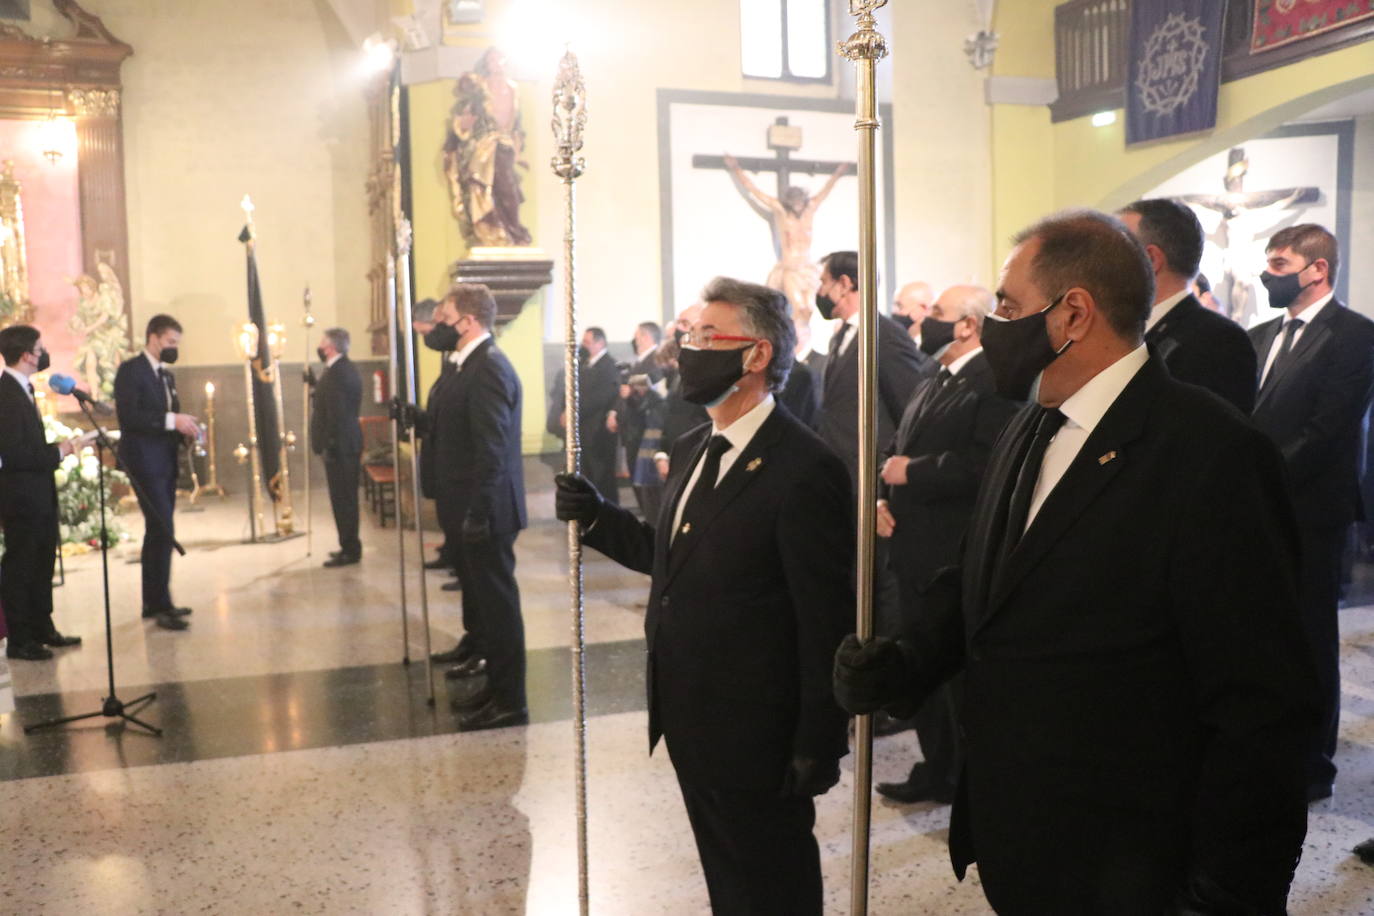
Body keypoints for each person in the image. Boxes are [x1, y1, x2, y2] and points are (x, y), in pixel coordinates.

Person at [834, 210, 1317, 913]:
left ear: (1074, 314)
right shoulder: (1030, 420)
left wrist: (1227, 891)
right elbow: (981, 576)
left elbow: (1263, 705)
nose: (990, 324)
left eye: (1007, 307)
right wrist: (906, 659)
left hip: (1131, 859)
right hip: (1023, 837)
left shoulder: (1210, 454)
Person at [555, 277, 852, 915]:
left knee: (773, 882)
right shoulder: (696, 446)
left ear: (757, 356)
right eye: (689, 337)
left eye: (707, 338)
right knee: (729, 879)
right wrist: (598, 516)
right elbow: (674, 558)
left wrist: (818, 739)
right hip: (693, 713)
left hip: (759, 726)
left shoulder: (804, 468)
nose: (688, 350)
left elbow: (824, 620)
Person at [873, 284, 1019, 805]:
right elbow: (896, 443)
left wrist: (912, 472)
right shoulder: (936, 375)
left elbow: (987, 463)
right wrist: (881, 497)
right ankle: (937, 767)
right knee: (921, 665)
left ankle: (965, 777)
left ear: (967, 326)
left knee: (955, 675)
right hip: (910, 544)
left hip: (950, 551)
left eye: (937, 313)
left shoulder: (994, 380)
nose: (924, 321)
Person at [1248, 223, 1374, 803]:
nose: (1267, 275)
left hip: (1310, 508)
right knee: (1264, 632)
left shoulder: (1355, 335)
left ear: (1316, 269)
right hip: (1258, 508)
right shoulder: (1258, 334)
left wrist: (1261, 480)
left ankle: (1312, 763)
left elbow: (1328, 428)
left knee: (1310, 634)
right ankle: (1268, 744)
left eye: (1278, 264)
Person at [420, 284, 528, 731]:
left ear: (468, 321)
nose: (437, 325)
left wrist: (480, 513)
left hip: (488, 510)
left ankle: (511, 702)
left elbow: (493, 451)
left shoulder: (489, 369)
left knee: (499, 609)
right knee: (486, 606)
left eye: (444, 317)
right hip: (470, 503)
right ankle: (496, 689)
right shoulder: (469, 365)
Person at [1117, 198, 1257, 412]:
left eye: (1117, 249)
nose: (1106, 262)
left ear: (1151, 259)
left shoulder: (1219, 341)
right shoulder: (1123, 331)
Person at [0, 325, 85, 661]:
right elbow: (14, 454)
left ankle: (42, 627)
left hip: (38, 492)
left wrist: (56, 450)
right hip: (20, 497)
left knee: (42, 560)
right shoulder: (5, 393)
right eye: (40, 347)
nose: (43, 352)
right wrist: (59, 452)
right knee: (22, 565)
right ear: (26, 355)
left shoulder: (23, 389)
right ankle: (20, 638)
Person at [816, 250, 934, 484]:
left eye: (823, 282)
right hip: (838, 473)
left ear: (844, 284)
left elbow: (909, 409)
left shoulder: (885, 335)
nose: (819, 292)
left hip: (867, 478)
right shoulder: (841, 336)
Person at [114, 315, 200, 632]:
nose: (174, 348)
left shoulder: (166, 375)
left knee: (161, 529)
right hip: (143, 461)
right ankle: (158, 603)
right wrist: (171, 421)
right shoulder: (131, 371)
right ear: (153, 337)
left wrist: (184, 430)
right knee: (161, 528)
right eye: (170, 342)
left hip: (164, 460)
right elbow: (131, 417)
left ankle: (156, 601)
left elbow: (168, 415)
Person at [311, 327, 364, 568]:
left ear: (330, 347)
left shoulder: (339, 373)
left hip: (341, 446)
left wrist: (330, 443)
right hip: (342, 444)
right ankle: (347, 544)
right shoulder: (336, 370)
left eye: (322, 342)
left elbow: (338, 414)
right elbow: (327, 402)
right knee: (341, 498)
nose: (320, 346)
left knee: (344, 500)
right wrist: (314, 385)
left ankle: (351, 549)